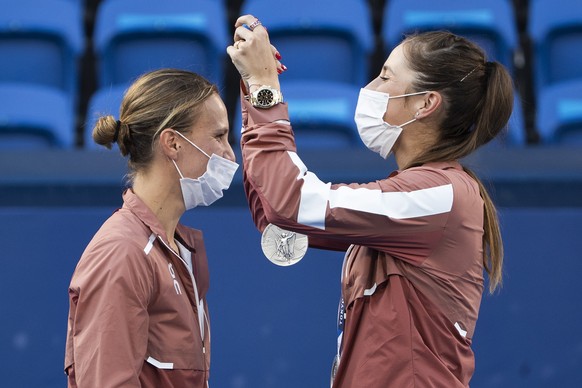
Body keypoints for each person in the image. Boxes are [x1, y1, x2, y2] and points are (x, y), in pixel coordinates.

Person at [227, 14, 511, 388]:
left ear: (425, 103)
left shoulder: (442, 196)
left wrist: (266, 86)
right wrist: (254, 89)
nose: (370, 87)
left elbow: (291, 202)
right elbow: (278, 220)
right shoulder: (422, 191)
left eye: (386, 76)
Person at [64, 69, 238, 387]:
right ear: (172, 143)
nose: (230, 153)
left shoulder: (179, 248)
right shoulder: (122, 253)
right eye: (218, 136)